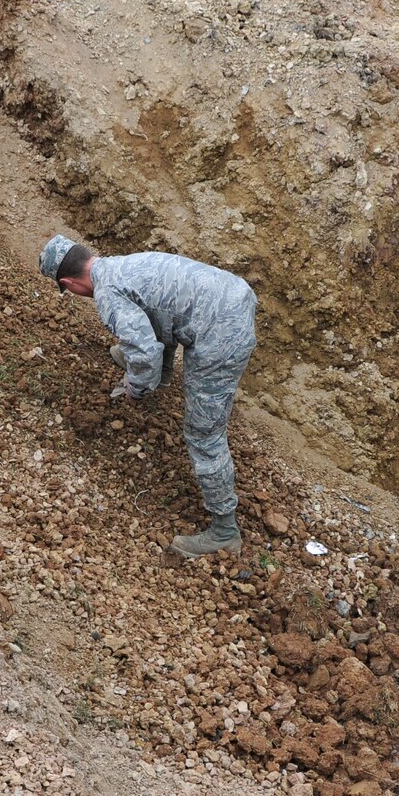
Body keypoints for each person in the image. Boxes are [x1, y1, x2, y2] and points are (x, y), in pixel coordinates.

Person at [39, 234, 257, 557]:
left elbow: (143, 352)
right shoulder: (121, 265)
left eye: (66, 288)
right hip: (234, 294)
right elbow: (156, 312)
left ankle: (225, 530)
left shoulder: (107, 295)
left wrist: (135, 387)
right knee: (149, 338)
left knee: (203, 434)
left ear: (69, 282)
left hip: (221, 333)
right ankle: (165, 374)